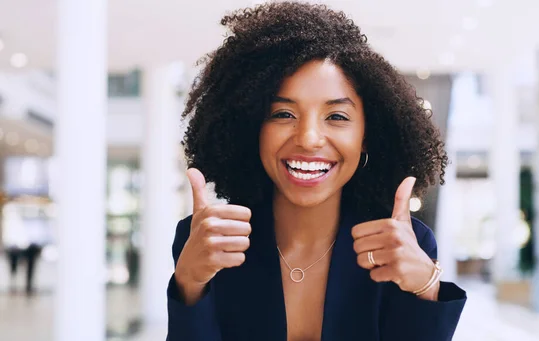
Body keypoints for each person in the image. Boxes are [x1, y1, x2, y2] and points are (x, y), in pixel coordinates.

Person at [167, 2, 466, 340]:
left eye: (337, 117)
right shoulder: (211, 239)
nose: (309, 139)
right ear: (253, 127)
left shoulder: (403, 245)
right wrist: (189, 283)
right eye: (283, 114)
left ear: (367, 136)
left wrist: (425, 287)